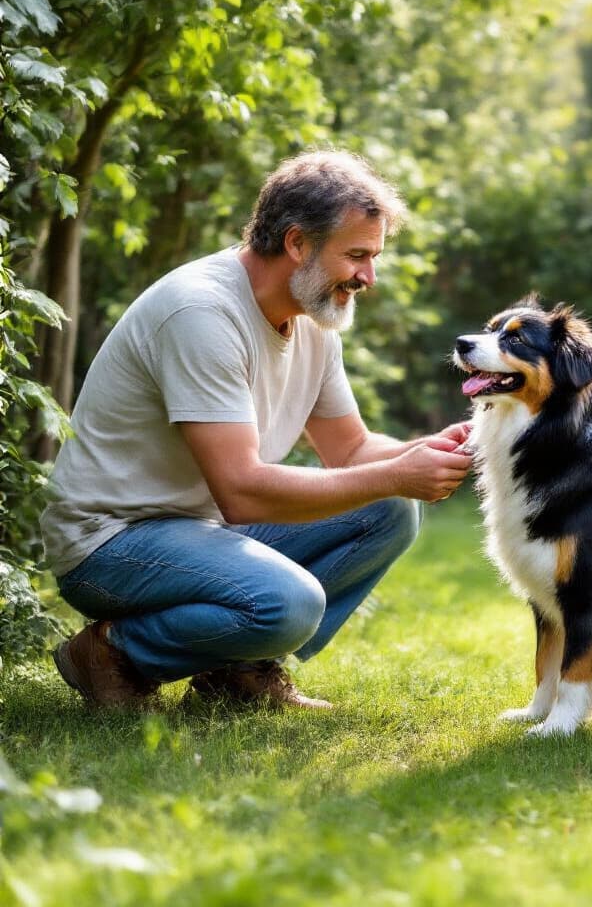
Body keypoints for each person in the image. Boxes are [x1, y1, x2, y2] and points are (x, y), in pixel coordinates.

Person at [42, 150, 473, 710]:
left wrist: (440, 449)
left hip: (204, 532)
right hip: (111, 542)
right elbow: (241, 490)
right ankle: (111, 653)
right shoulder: (200, 312)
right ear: (297, 244)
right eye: (358, 256)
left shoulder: (313, 318)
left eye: (374, 257)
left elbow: (353, 450)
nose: (369, 277)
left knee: (390, 508)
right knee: (288, 603)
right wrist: (395, 473)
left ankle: (238, 672)